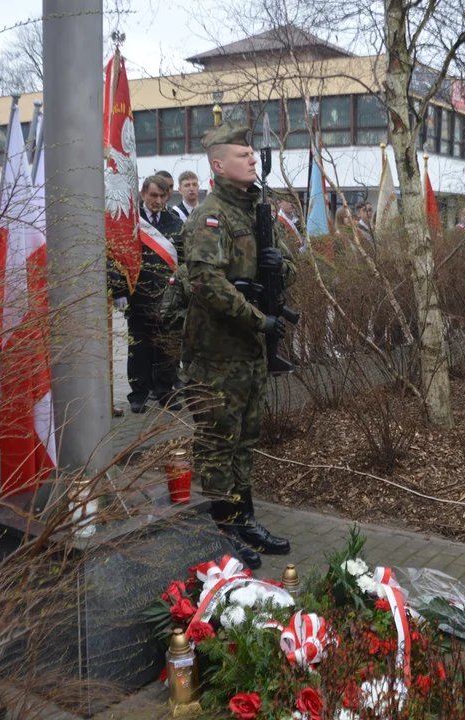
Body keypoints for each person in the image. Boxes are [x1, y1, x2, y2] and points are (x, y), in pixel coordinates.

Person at [180, 123, 297, 570]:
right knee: (217, 443)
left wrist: (279, 266)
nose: (252, 159)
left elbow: (288, 267)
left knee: (245, 439)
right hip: (217, 354)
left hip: (249, 352)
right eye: (242, 154)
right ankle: (221, 532)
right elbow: (206, 283)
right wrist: (258, 319)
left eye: (252, 154)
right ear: (218, 165)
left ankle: (244, 519)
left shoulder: (254, 212)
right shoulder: (210, 217)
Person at [127, 174, 185, 413]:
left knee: (167, 346)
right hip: (138, 295)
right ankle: (138, 395)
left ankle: (166, 392)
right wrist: (120, 291)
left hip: (168, 297)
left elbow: (184, 258)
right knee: (139, 347)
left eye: (163, 196)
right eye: (153, 195)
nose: (158, 200)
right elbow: (119, 258)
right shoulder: (131, 221)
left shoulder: (175, 222)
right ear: (143, 194)